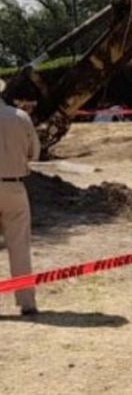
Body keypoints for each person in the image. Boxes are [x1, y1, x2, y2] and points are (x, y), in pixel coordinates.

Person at [0, 78, 40, 316]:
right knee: (19, 248)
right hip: (14, 186)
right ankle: (27, 302)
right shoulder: (20, 117)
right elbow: (33, 152)